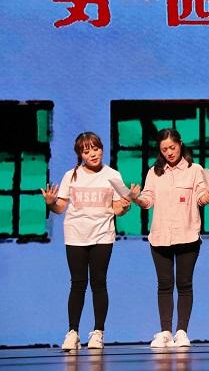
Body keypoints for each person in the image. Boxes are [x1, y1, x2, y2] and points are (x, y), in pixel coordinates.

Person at [41, 132, 131, 350]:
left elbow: (118, 208)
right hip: (76, 236)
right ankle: (73, 332)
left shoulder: (112, 175)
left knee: (99, 282)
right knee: (77, 283)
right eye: (86, 151)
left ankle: (98, 333)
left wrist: (125, 207)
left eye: (96, 148)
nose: (93, 154)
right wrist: (51, 203)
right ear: (80, 154)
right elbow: (60, 207)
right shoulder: (71, 176)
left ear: (102, 149)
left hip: (102, 235)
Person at [130, 128, 209, 348]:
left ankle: (182, 332)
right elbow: (148, 200)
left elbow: (201, 195)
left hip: (187, 234)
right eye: (164, 149)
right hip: (160, 236)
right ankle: (166, 332)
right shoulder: (154, 172)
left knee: (185, 284)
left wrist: (207, 197)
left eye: (172, 147)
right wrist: (137, 199)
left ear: (180, 144)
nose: (169, 152)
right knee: (164, 285)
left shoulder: (195, 170)